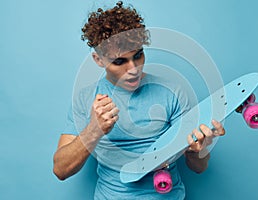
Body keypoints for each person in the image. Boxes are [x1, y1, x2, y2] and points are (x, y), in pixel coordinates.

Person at [53, 1, 225, 199]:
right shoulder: (86, 99)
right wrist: (94, 129)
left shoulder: (172, 92)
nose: (133, 69)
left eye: (138, 55)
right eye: (119, 61)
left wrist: (197, 151)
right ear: (98, 60)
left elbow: (199, 168)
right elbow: (60, 170)